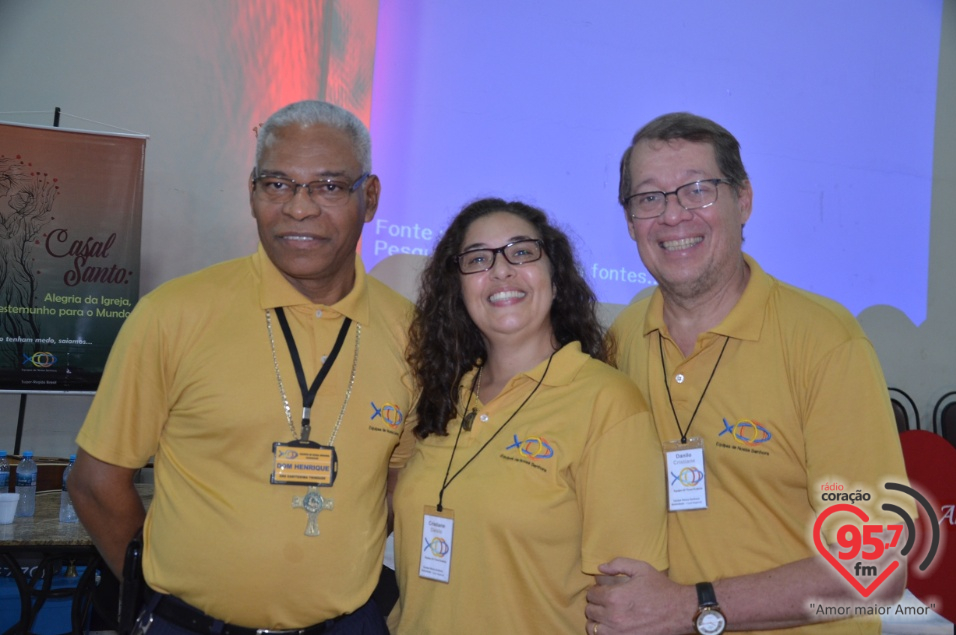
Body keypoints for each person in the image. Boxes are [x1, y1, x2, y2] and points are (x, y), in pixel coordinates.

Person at [68, 100, 413, 634]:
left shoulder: (410, 335)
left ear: (368, 198)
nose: (299, 208)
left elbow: (400, 480)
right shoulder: (174, 315)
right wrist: (155, 604)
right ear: (253, 191)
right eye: (278, 184)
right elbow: (94, 484)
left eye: (328, 186)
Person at [586, 112, 910, 635]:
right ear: (629, 222)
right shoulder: (623, 337)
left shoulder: (824, 341)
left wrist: (689, 606)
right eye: (649, 198)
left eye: (697, 189)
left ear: (745, 200)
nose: (672, 215)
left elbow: (876, 565)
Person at [388, 198, 668, 634]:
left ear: (556, 279)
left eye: (522, 252)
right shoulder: (445, 396)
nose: (501, 271)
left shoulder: (607, 403)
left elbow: (628, 598)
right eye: (478, 259)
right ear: (458, 291)